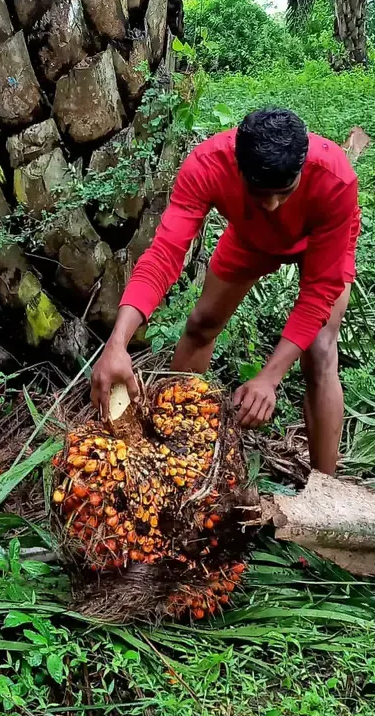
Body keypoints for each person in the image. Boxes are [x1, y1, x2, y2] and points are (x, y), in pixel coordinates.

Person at [90, 108, 360, 476]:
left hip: (320, 243)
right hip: (251, 238)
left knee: (321, 350)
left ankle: (325, 491)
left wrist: (269, 378)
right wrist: (117, 342)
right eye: (259, 193)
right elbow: (164, 255)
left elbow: (319, 291)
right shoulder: (207, 165)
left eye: (284, 192)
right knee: (202, 323)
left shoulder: (335, 179)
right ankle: (178, 453)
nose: (272, 205)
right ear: (238, 167)